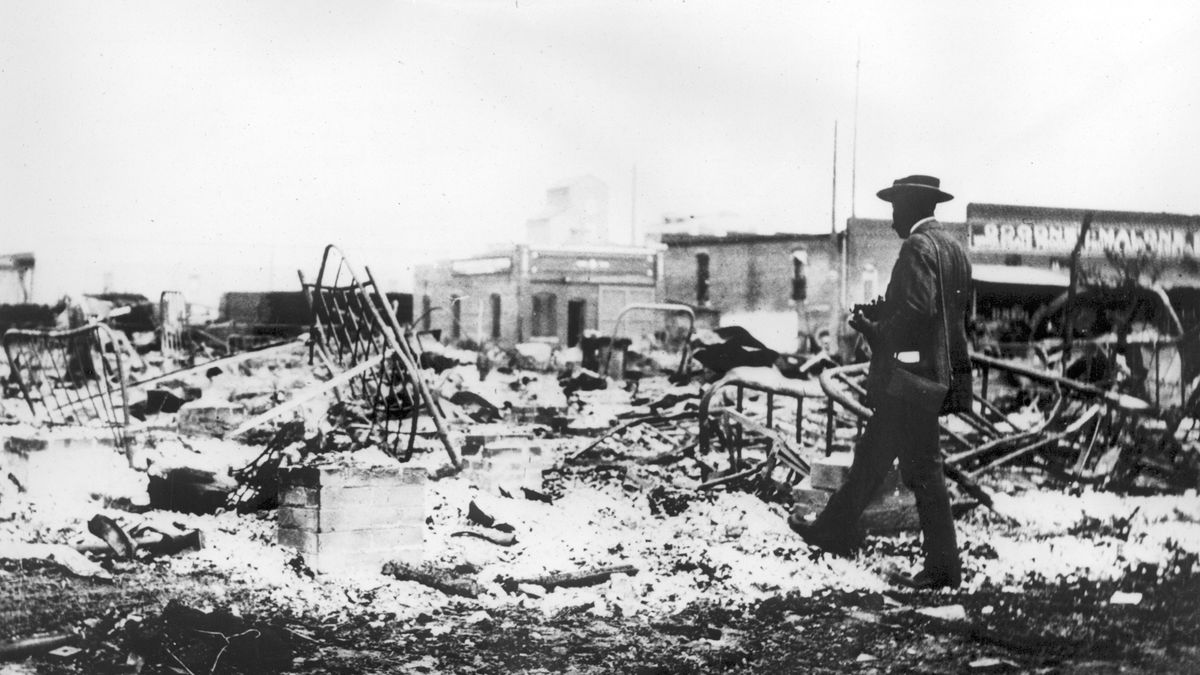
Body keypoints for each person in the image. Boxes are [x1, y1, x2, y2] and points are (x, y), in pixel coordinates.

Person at [790, 174, 973, 590]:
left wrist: (874, 328)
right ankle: (834, 530)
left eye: (894, 208)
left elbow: (915, 313)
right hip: (936, 377)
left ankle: (942, 568)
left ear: (910, 207)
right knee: (874, 457)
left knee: (916, 468)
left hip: (909, 380)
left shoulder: (917, 246)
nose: (891, 218)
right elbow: (952, 317)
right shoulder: (955, 249)